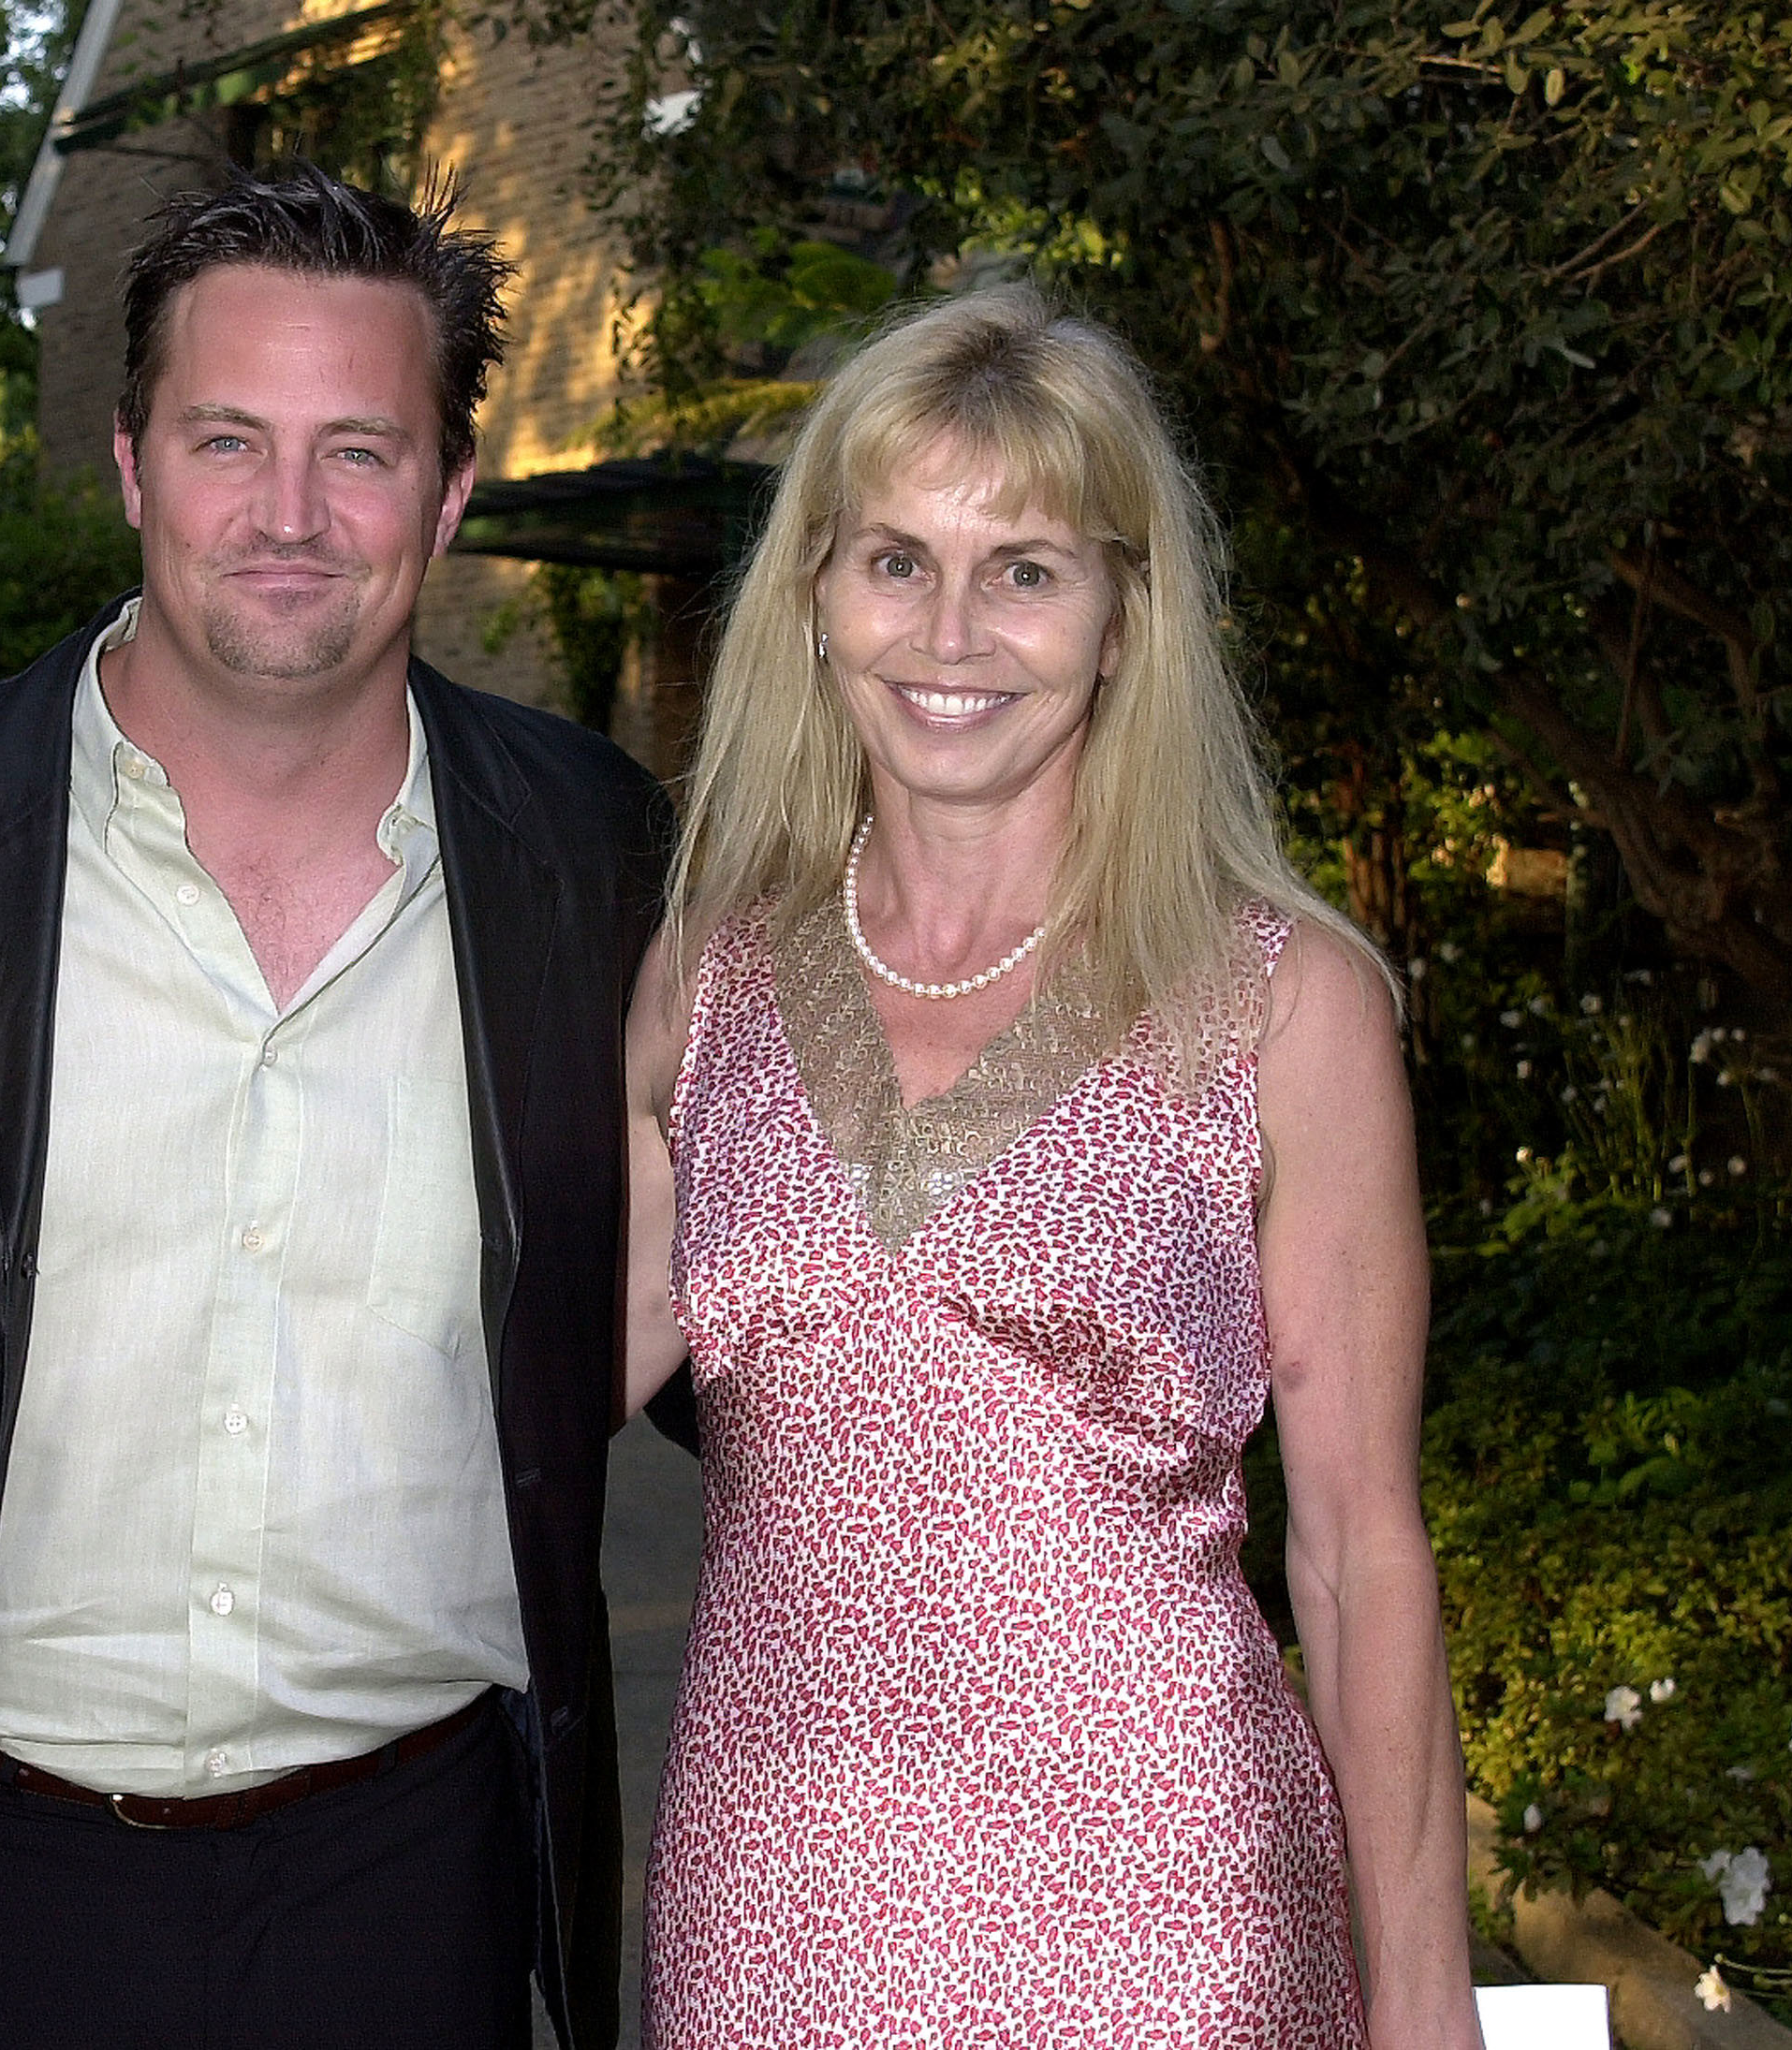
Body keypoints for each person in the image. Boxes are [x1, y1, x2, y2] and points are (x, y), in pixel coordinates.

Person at [0, 162, 671, 2050]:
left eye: (360, 449)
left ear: (448, 492)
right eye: (229, 439)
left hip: (422, 1884)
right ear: (131, 463)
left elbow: (754, 1310)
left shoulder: (596, 859)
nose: (290, 515)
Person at [620, 285, 1485, 2044]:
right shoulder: (705, 970)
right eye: (893, 559)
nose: (952, 628)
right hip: (774, 1902)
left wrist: (1427, 1998)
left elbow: (1359, 1550)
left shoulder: (1281, 1001)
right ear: (812, 600)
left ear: (1121, 617)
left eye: (1025, 566)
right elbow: (524, 1400)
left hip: (1164, 1902)